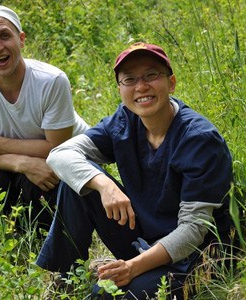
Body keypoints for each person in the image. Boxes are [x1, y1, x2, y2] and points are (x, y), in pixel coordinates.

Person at [36, 42, 235, 299]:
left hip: (195, 257)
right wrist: (104, 185)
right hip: (144, 235)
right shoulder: (125, 121)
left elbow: (193, 231)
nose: (141, 87)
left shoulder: (199, 139)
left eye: (152, 75)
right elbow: (60, 155)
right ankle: (65, 279)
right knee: (79, 185)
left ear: (171, 83)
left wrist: (131, 268)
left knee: (105, 294)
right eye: (129, 79)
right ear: (120, 89)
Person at [0, 5, 89, 235]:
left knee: (44, 181)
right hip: (28, 158)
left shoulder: (52, 81)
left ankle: (44, 236)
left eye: (5, 36)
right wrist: (23, 164)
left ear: (21, 39)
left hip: (70, 156)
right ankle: (5, 237)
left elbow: (58, 147)